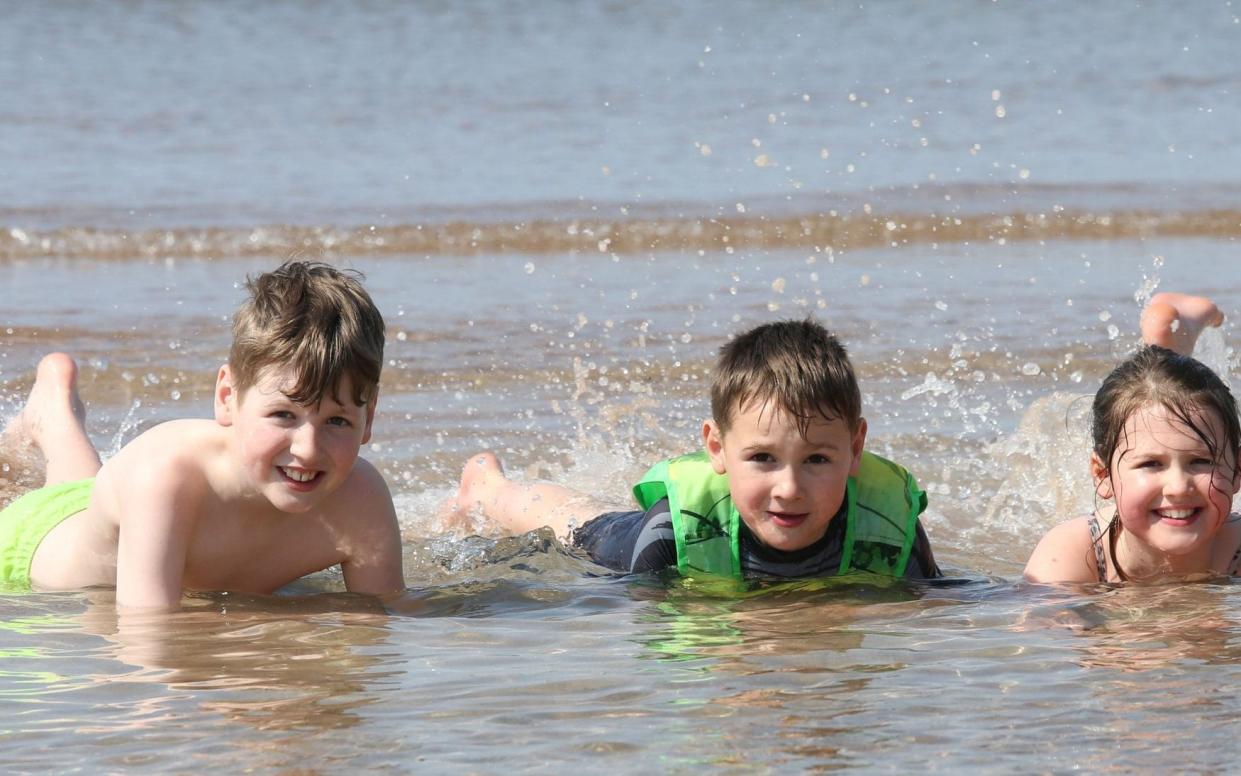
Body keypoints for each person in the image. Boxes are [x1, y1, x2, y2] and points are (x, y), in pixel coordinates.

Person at [0, 261, 405, 609]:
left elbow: (375, 629)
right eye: (283, 414)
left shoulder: (362, 499)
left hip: (97, 503)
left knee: (82, 484)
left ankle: (53, 412)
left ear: (368, 417)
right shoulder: (166, 478)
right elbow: (146, 639)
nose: (308, 449)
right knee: (70, 492)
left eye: (337, 422)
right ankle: (54, 413)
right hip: (26, 546)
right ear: (228, 397)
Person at [448, 319, 940, 580]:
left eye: (817, 460)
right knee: (575, 522)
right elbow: (638, 623)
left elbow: (933, 605)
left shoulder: (890, 528)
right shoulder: (671, 532)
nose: (789, 489)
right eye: (763, 458)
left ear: (855, 450)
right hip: (631, 540)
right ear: (717, 447)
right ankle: (486, 486)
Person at [1024, 292, 1241, 583]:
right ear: (1102, 475)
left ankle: (1169, 346)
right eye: (1151, 464)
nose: (1178, 487)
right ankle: (1169, 345)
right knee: (1155, 406)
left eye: (1201, 461)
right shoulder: (1074, 552)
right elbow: (1041, 622)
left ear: (1238, 470)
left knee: (1164, 407)